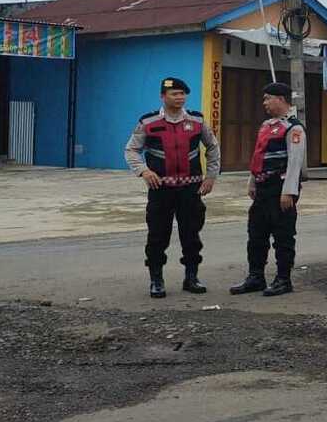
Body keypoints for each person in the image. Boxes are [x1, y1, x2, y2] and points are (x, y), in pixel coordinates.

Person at [124, 77, 220, 298]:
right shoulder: (148, 122)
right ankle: (156, 280)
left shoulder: (197, 121)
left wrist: (211, 176)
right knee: (158, 235)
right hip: (161, 191)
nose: (179, 98)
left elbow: (213, 147)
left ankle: (191, 277)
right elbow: (131, 150)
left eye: (182, 94)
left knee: (191, 235)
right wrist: (144, 171)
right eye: (174, 94)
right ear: (162, 96)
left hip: (191, 190)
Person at [230, 82, 306, 298]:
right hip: (262, 188)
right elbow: (258, 156)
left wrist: (288, 191)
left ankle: (283, 279)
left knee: (283, 235)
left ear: (280, 99)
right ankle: (256, 276)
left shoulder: (294, 128)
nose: (264, 103)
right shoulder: (266, 126)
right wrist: (252, 181)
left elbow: (295, 162)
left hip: (280, 188)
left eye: (267, 99)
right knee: (256, 234)